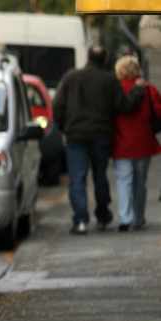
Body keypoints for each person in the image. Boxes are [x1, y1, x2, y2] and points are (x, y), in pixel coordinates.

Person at [54, 45, 145, 235]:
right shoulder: (110, 80)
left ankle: (80, 221)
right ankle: (102, 215)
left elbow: (58, 105)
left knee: (77, 179)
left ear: (87, 57)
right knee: (100, 177)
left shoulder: (71, 77)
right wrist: (137, 90)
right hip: (101, 135)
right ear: (105, 59)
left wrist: (64, 127)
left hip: (75, 135)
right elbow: (124, 106)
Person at [112, 55, 161, 231]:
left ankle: (125, 218)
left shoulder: (115, 90)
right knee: (140, 182)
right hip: (143, 142)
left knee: (123, 180)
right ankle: (139, 218)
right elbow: (159, 112)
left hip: (121, 142)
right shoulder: (149, 89)